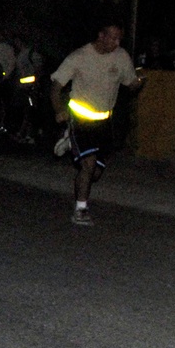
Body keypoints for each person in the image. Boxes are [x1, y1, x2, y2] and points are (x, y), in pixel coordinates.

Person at [50, 21, 143, 226]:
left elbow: (131, 83)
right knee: (89, 164)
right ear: (101, 35)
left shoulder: (121, 57)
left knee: (95, 172)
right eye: (113, 37)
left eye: (119, 38)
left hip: (104, 122)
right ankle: (80, 209)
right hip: (81, 118)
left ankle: (71, 146)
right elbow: (56, 87)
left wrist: (138, 83)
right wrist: (59, 110)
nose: (117, 42)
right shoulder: (80, 57)